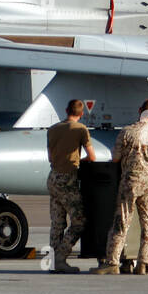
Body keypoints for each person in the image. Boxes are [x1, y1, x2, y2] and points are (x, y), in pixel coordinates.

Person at [94, 99, 148, 275]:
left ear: (140, 110)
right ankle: (144, 263)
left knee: (122, 221)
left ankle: (112, 262)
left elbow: (115, 157)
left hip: (130, 182)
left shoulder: (127, 132)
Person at [45, 99, 97, 274]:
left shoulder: (52, 130)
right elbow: (92, 157)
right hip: (68, 179)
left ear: (66, 110)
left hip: (53, 178)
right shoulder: (81, 130)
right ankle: (61, 256)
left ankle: (53, 262)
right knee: (79, 221)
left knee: (57, 223)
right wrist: (77, 162)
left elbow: (51, 158)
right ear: (82, 114)